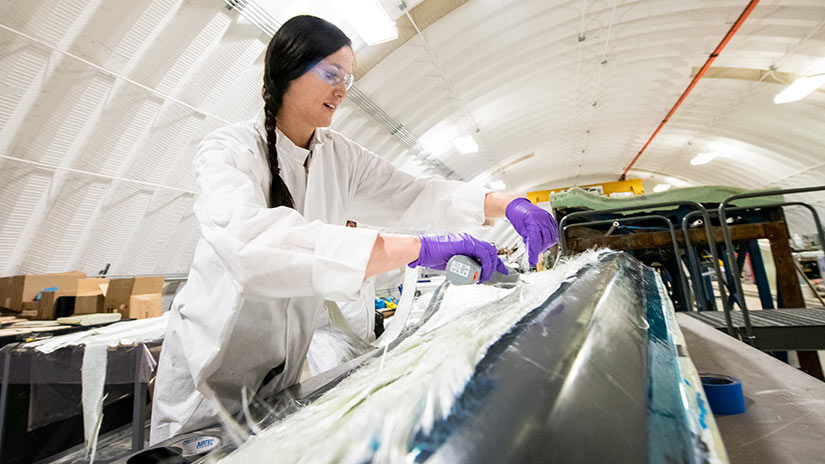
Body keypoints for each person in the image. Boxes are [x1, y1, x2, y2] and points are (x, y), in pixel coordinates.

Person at [149, 15, 557, 444]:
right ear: (287, 70)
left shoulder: (339, 156)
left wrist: (504, 203)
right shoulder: (228, 150)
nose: (342, 89)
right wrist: (417, 248)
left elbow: (413, 193)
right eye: (330, 74)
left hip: (279, 376)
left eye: (348, 77)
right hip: (208, 374)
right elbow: (252, 247)